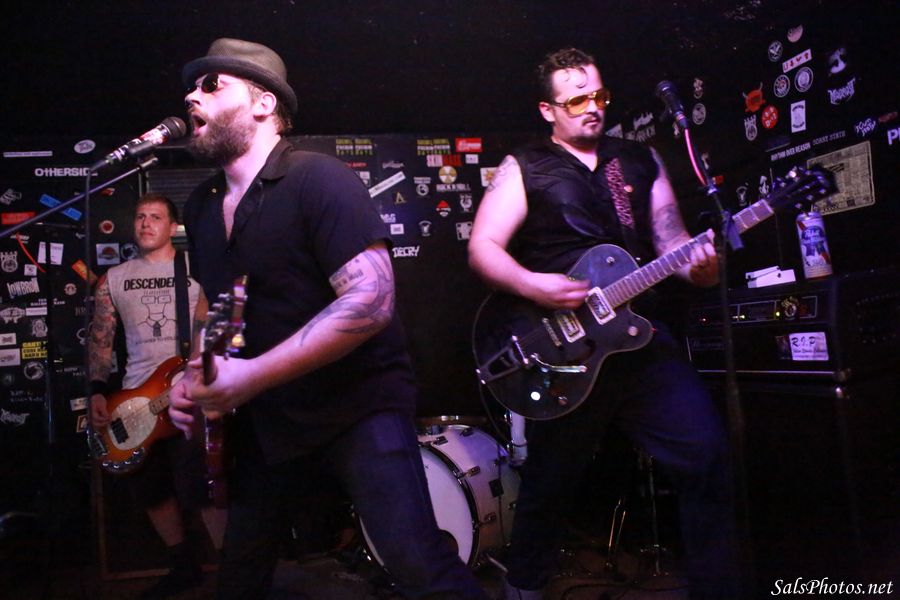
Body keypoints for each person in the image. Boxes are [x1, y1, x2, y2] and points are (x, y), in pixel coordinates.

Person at [168, 38, 489, 599]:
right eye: (192, 87)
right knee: (240, 572)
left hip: (355, 405)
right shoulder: (200, 206)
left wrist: (252, 375)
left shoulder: (318, 178)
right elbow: (222, 304)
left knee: (417, 562)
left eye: (212, 84)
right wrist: (196, 373)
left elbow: (370, 301)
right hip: (269, 415)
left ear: (263, 103)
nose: (192, 96)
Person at [467, 48, 738, 599]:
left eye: (599, 95)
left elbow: (671, 241)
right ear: (548, 110)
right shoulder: (526, 165)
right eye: (576, 100)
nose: (592, 107)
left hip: (639, 341)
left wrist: (700, 266)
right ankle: (525, 587)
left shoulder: (639, 159)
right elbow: (483, 248)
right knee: (549, 483)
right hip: (563, 348)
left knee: (707, 456)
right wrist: (534, 285)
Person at [88, 192, 226, 599]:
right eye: (140, 216)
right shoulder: (114, 278)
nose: (146, 223)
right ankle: (183, 567)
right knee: (150, 490)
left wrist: (199, 376)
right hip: (134, 400)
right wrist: (97, 390)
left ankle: (235, 569)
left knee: (201, 486)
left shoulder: (195, 271)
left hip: (186, 395)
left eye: (155, 217)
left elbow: (209, 331)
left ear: (172, 226)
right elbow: (101, 339)